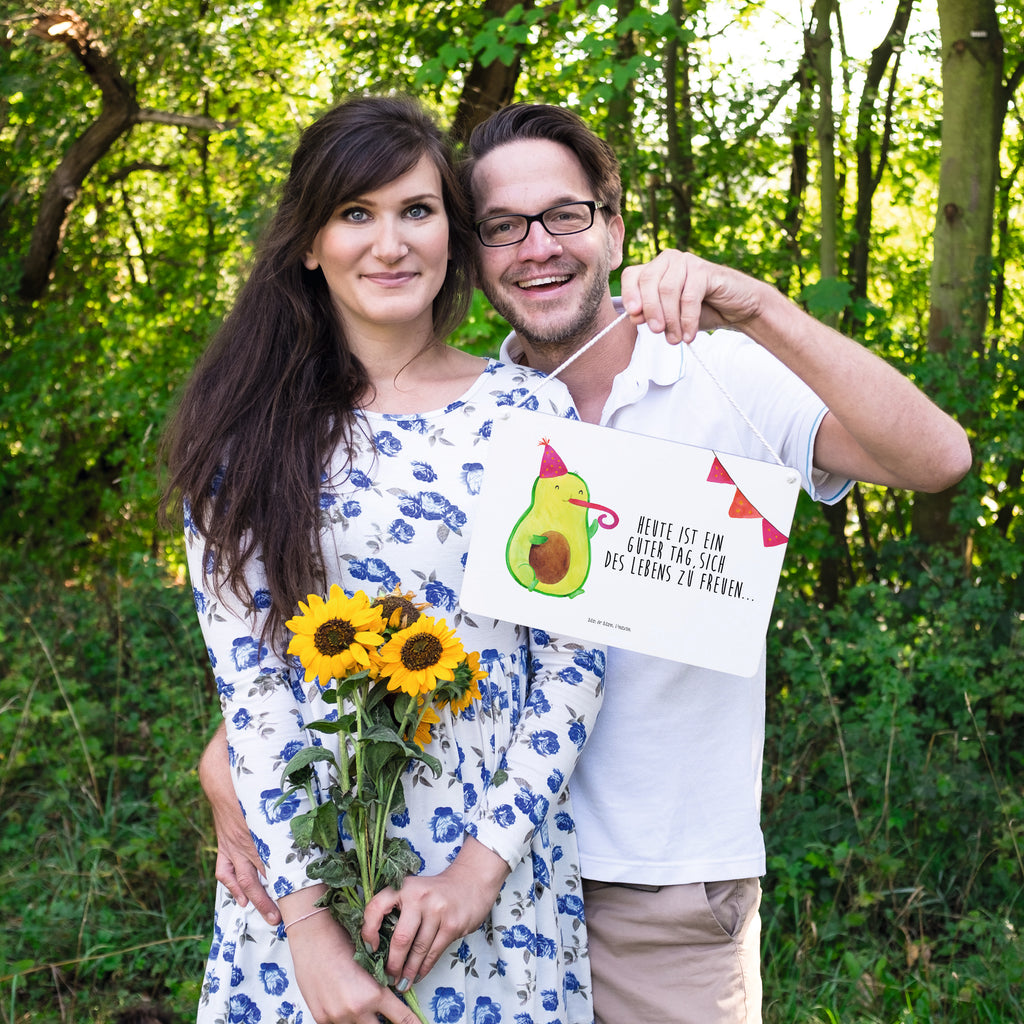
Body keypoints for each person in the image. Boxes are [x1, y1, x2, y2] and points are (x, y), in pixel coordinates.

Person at [202, 102, 972, 1024]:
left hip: (651, 887)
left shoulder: (710, 374)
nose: (537, 247)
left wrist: (759, 306)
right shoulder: (462, 415)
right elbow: (330, 633)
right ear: (474, 250)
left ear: (612, 225)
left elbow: (937, 461)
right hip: (420, 874)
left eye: (565, 215)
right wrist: (234, 771)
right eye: (502, 226)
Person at [163, 96, 608, 1024]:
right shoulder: (244, 438)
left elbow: (574, 660)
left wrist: (478, 873)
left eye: (417, 210)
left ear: (452, 230)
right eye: (355, 214)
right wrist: (311, 937)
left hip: (492, 887)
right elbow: (253, 691)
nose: (391, 243)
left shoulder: (533, 416)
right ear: (309, 244)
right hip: (302, 885)